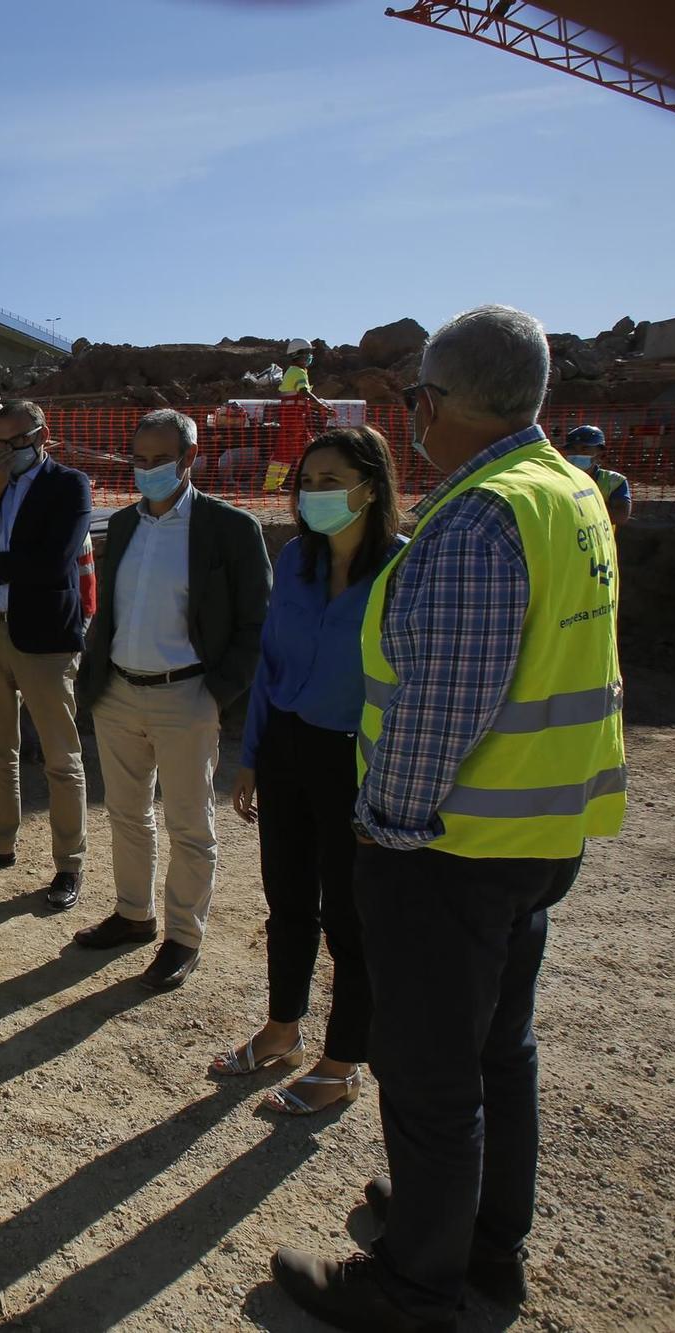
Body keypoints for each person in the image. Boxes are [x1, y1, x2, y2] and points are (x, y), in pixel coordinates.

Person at [273, 305, 626, 1332]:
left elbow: (440, 707)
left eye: (417, 396)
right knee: (494, 1054)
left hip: (447, 845)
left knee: (430, 1077)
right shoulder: (565, 491)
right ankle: (478, 1244)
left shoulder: (478, 517)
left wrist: (380, 828)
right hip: (533, 831)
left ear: (437, 402)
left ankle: (416, 1288)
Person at [213, 426, 404, 1114]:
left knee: (351, 919)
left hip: (358, 758)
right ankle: (281, 1030)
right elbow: (272, 665)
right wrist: (253, 755)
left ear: (370, 487)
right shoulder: (295, 559)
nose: (316, 494)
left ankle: (343, 1060)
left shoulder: (401, 570)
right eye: (308, 481)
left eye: (332, 480)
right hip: (290, 747)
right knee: (288, 901)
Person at [76, 409, 271, 992]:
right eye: (137, 459)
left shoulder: (231, 529)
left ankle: (183, 938)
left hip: (186, 696)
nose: (144, 470)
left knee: (191, 825)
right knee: (127, 814)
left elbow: (256, 624)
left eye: (158, 460)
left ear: (188, 460)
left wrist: (215, 695)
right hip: (120, 694)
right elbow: (112, 610)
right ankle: (134, 914)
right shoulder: (129, 524)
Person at [0, 400, 92, 908]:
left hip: (45, 640)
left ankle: (69, 864)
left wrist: (0, 562)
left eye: (14, 443)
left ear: (41, 435)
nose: (4, 453)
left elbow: (54, 560)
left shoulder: (69, 485)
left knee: (60, 756)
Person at [269, 338, 331, 493]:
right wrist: (321, 405)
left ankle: (310, 482)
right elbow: (304, 392)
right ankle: (272, 485)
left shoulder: (294, 371)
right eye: (308, 353)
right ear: (299, 355)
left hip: (295, 419)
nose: (310, 356)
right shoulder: (298, 373)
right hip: (293, 420)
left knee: (305, 449)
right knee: (285, 453)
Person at [561, 424, 631, 526]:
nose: (577, 453)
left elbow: (620, 516)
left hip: (599, 540)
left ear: (600, 453)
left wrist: (574, 507)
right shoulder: (558, 477)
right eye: (572, 449)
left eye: (585, 449)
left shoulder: (614, 481)